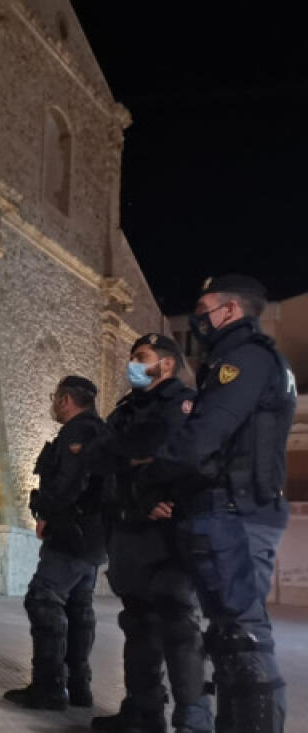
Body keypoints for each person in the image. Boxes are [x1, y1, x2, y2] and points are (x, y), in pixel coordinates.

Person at [146, 275, 296, 732]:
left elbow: (204, 437)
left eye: (204, 307)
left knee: (242, 638)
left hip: (234, 511)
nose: (198, 317)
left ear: (229, 310)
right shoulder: (254, 360)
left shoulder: (244, 359)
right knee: (233, 639)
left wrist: (150, 477)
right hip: (237, 509)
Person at [91, 334, 212, 733]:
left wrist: (130, 459)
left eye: (142, 358)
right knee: (138, 624)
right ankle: (143, 715)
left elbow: (176, 457)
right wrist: (132, 464)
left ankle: (192, 722)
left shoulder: (184, 403)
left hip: (168, 530)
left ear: (168, 364)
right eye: (131, 357)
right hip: (129, 528)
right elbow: (100, 456)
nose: (133, 364)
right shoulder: (128, 409)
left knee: (177, 624)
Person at [5, 376, 108, 711]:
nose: (53, 403)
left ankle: (49, 687)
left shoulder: (78, 433)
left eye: (55, 398)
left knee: (43, 599)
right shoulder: (100, 431)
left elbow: (69, 482)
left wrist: (47, 513)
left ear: (66, 400)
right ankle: (78, 687)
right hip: (91, 538)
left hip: (71, 533)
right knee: (79, 607)